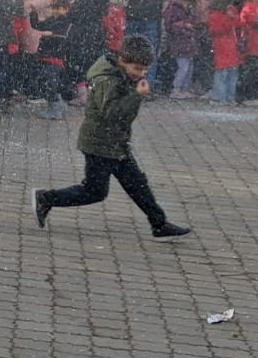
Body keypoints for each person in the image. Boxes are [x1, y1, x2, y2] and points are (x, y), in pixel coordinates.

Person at [31, 38, 192, 241]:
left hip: (114, 143)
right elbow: (112, 113)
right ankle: (46, 198)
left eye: (144, 70)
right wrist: (136, 95)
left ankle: (159, 224)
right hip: (99, 144)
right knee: (95, 191)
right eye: (137, 68)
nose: (141, 73)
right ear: (122, 59)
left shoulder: (119, 74)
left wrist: (133, 87)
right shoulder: (107, 80)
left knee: (137, 184)